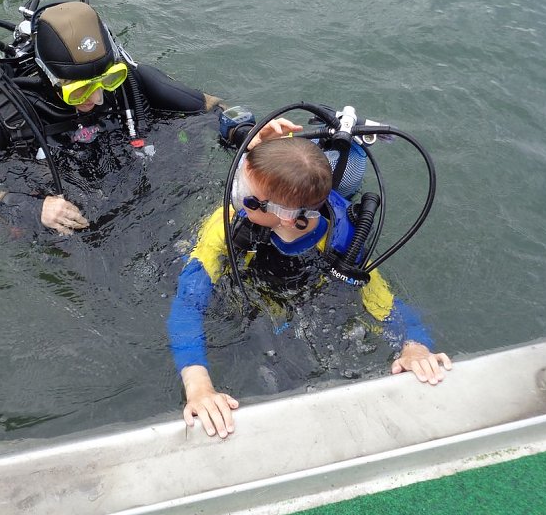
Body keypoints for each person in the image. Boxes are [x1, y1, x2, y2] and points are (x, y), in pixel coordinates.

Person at [166, 118, 452, 438]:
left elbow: (385, 305)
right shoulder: (228, 224)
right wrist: (198, 384)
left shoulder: (343, 241)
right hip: (242, 290)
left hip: (309, 299)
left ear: (287, 216)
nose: (233, 196)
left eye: (246, 195)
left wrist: (415, 347)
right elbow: (188, 304)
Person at [0, 0, 226, 234]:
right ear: (48, 75)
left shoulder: (132, 81)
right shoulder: (0, 117)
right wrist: (19, 206)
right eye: (79, 90)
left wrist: (243, 129)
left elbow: (214, 107)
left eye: (106, 81)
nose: (96, 98)